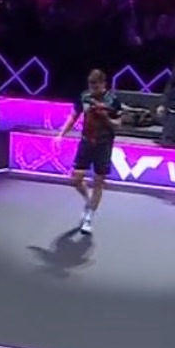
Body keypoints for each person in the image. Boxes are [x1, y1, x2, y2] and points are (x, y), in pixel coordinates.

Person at [54, 69, 120, 235]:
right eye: (91, 86)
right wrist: (61, 134)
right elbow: (73, 116)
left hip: (104, 144)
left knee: (99, 181)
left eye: (96, 86)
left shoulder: (112, 100)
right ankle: (88, 200)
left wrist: (104, 116)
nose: (93, 89)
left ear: (103, 84)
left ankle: (89, 217)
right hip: (86, 141)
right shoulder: (84, 97)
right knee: (76, 179)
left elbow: (118, 125)